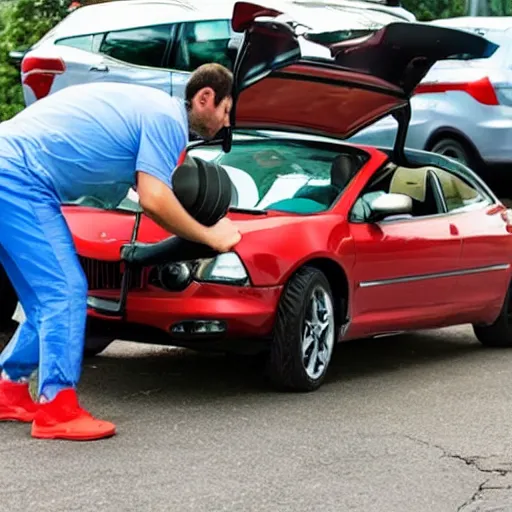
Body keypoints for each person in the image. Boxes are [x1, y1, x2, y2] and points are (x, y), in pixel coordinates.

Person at [0, 63, 241, 441]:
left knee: (45, 303)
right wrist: (210, 236)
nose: (226, 124)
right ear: (205, 98)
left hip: (11, 169)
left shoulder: (145, 111)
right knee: (66, 292)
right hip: (17, 175)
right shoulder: (167, 119)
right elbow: (155, 199)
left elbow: (141, 198)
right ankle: (57, 409)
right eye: (226, 111)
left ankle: (9, 390)